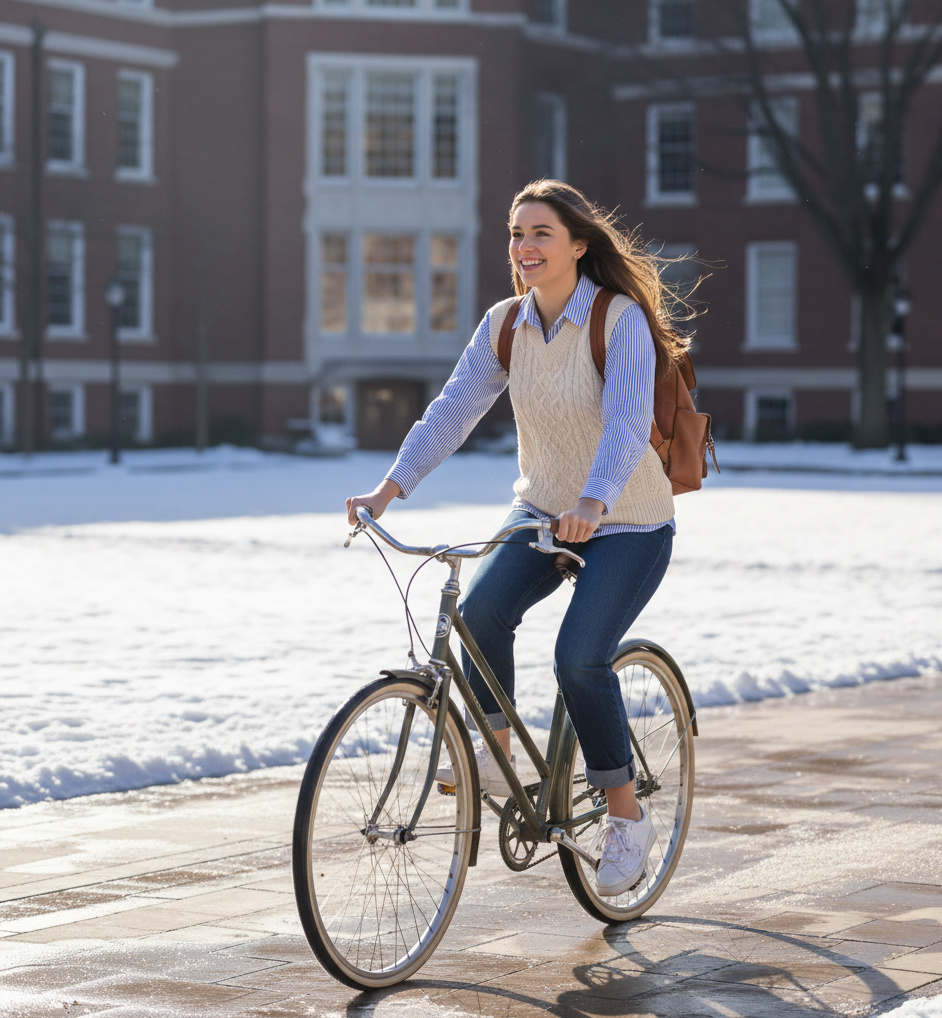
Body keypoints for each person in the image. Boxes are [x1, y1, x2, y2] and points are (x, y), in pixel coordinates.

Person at [346, 179, 689, 897]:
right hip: (541, 511)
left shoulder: (617, 319)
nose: (524, 248)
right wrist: (389, 488)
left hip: (626, 520)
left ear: (578, 246)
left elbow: (627, 423)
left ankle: (626, 819)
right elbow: (452, 410)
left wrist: (594, 502)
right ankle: (495, 750)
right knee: (479, 614)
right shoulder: (506, 323)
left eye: (540, 234)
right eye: (515, 234)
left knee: (579, 658)